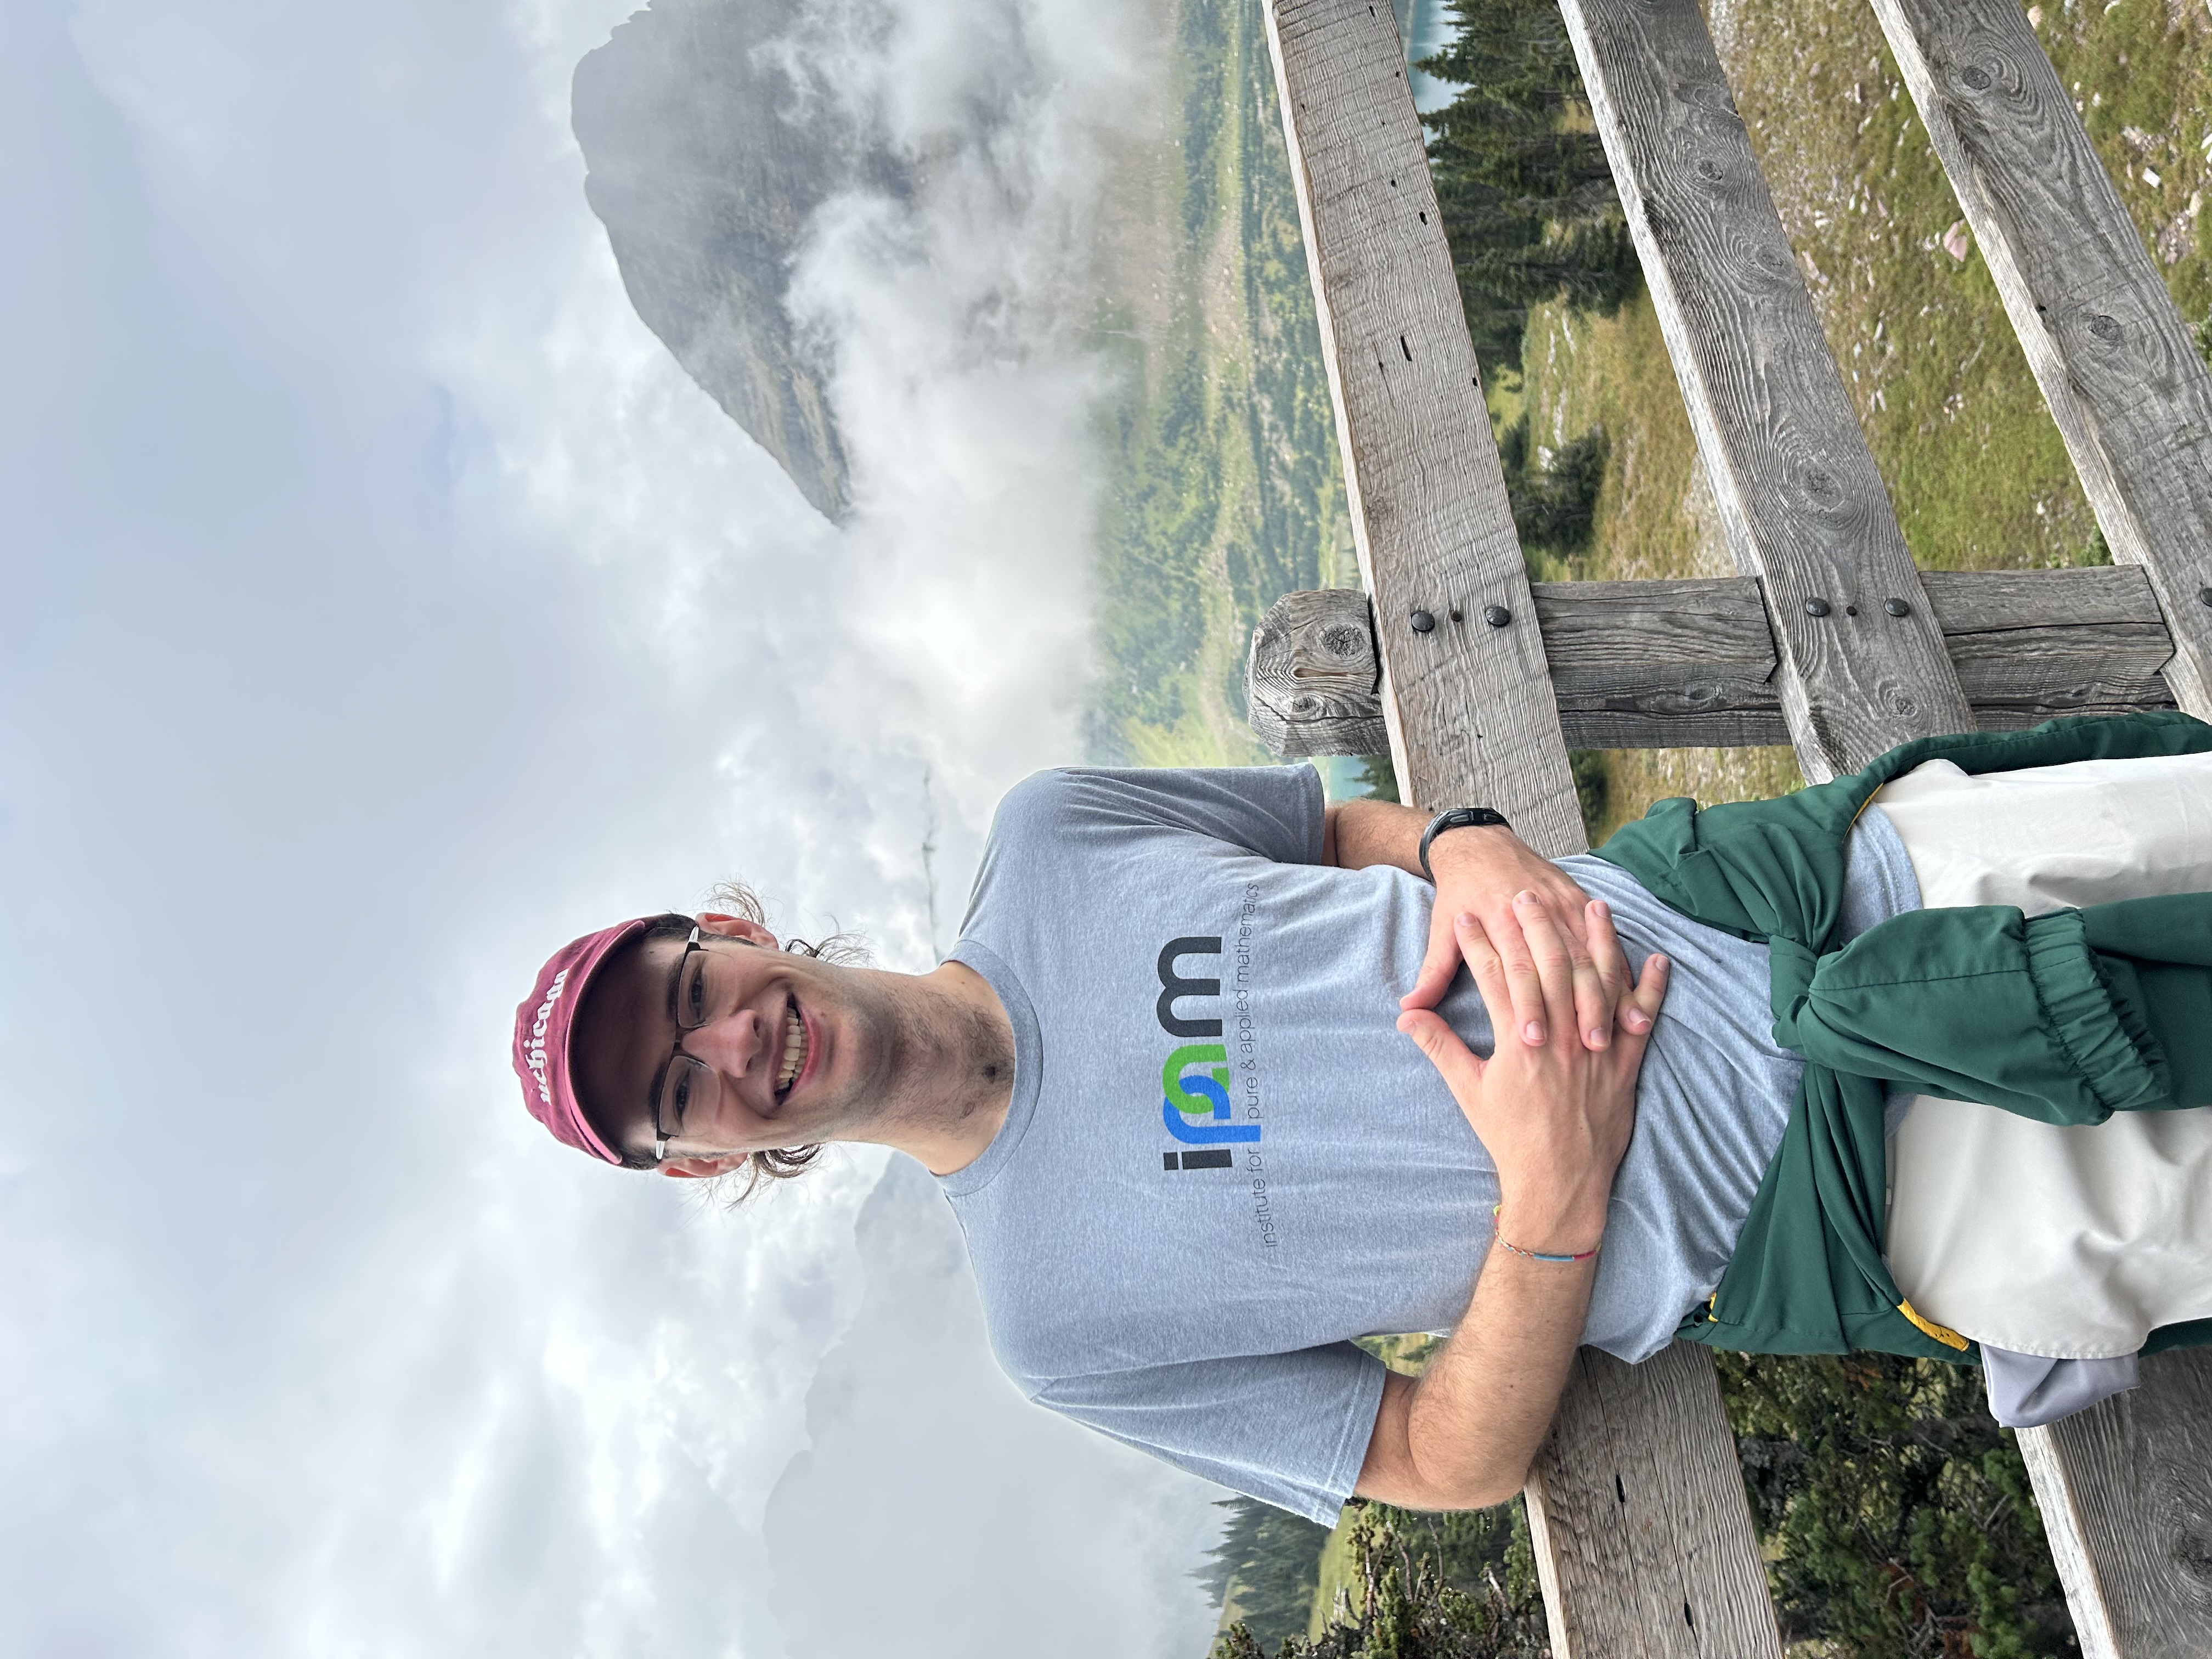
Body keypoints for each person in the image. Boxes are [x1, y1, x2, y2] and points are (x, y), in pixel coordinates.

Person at [513, 714, 2212, 1525]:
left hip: (1847, 880)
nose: (729, 1045)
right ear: (711, 1165)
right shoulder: (1057, 1326)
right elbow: (1434, 1465)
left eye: (687, 989)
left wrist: (1470, 843)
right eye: (681, 1096)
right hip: (1870, 1200)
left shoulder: (1054, 836)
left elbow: (1330, 837)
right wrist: (1553, 1203)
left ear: (721, 928)